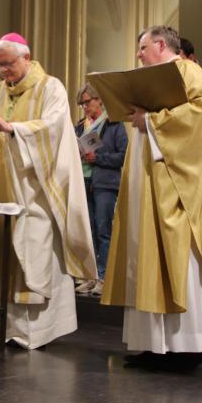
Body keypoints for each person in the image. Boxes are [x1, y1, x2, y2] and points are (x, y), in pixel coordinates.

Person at [102, 26, 202, 371]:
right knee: (146, 261)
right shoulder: (150, 78)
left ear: (160, 45)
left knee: (181, 263)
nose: (139, 54)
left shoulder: (188, 71)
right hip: (149, 187)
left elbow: (200, 121)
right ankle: (152, 346)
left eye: (142, 47)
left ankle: (188, 347)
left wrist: (151, 121)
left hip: (178, 191)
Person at [0, 33, 96, 349]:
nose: (4, 71)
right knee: (1, 259)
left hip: (34, 191)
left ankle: (33, 332)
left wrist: (13, 129)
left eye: (8, 64)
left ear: (27, 57)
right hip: (2, 190)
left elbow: (54, 128)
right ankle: (0, 328)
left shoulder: (51, 87)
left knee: (33, 255)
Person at [73, 83, 127, 296]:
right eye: (82, 103)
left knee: (104, 230)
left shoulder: (114, 124)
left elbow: (123, 155)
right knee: (89, 232)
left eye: (88, 102)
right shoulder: (79, 126)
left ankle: (105, 277)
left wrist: (99, 158)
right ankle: (91, 275)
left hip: (105, 183)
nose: (85, 106)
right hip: (83, 182)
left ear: (99, 100)